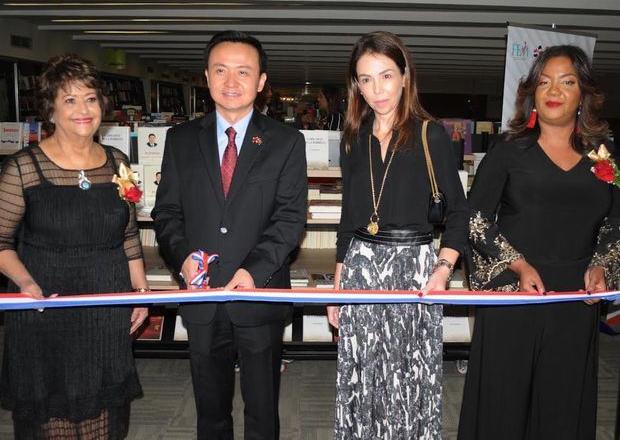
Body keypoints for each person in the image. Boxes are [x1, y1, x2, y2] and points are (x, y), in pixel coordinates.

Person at [457, 45, 620, 440]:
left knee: (562, 402)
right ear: (532, 91)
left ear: (583, 93)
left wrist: (601, 265)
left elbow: (615, 221)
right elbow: (476, 219)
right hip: (515, 293)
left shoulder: (604, 155)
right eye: (544, 81)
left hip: (576, 298)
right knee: (503, 402)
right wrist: (519, 264)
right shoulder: (509, 149)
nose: (554, 90)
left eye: (567, 82)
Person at [151, 30, 307, 440]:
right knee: (210, 411)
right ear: (207, 76)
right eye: (221, 70)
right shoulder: (181, 139)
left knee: (262, 412)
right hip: (201, 297)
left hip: (260, 294)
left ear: (260, 82)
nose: (231, 82)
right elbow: (166, 211)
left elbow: (290, 219)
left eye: (243, 72)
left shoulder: (287, 141)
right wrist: (182, 257)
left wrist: (253, 271)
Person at [327, 31, 468, 440]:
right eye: (365, 79)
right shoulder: (353, 138)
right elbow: (349, 216)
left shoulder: (430, 135)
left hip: (415, 270)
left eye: (386, 76)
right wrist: (337, 282)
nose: (377, 90)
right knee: (363, 377)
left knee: (409, 378)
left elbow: (459, 212)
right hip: (361, 268)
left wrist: (443, 270)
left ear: (405, 76)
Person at [0, 54, 148, 439]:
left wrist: (141, 293)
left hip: (105, 308)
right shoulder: (23, 167)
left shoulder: (117, 161)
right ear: (50, 108)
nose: (83, 110)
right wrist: (26, 285)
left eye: (91, 99)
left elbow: (129, 235)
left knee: (104, 416)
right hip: (46, 308)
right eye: (69, 100)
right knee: (55, 417)